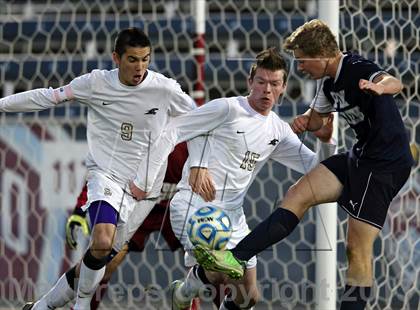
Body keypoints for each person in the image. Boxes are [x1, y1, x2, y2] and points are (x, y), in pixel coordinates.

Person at [192, 19, 414, 310]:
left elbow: (392, 82)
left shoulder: (358, 68)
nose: (299, 68)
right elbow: (318, 119)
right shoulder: (328, 83)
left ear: (321, 55)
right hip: (359, 157)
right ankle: (237, 256)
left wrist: (378, 87)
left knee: (357, 250)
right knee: (298, 194)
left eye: (302, 60)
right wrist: (308, 122)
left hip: (384, 166)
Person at [0, 27, 203, 310]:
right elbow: (48, 97)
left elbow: (200, 122)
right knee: (102, 239)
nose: (140, 67)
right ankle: (81, 306)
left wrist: (199, 165)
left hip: (146, 189)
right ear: (116, 58)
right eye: (132, 59)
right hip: (106, 175)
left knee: (101, 256)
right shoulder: (95, 83)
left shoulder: (164, 89)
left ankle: (41, 307)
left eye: (145, 59)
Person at [130, 47, 336, 310]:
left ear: (284, 87)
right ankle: (189, 289)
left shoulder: (278, 130)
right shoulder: (227, 109)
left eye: (274, 84)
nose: (267, 90)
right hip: (193, 206)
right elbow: (178, 127)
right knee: (222, 268)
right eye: (261, 82)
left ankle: (184, 291)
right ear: (250, 82)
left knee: (248, 297)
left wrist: (326, 140)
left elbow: (317, 167)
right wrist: (195, 163)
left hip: (233, 216)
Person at [65, 143, 188, 310]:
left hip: (176, 206)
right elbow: (106, 173)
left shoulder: (187, 136)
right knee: (108, 259)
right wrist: (80, 209)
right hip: (140, 207)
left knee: (203, 259)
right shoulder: (139, 136)